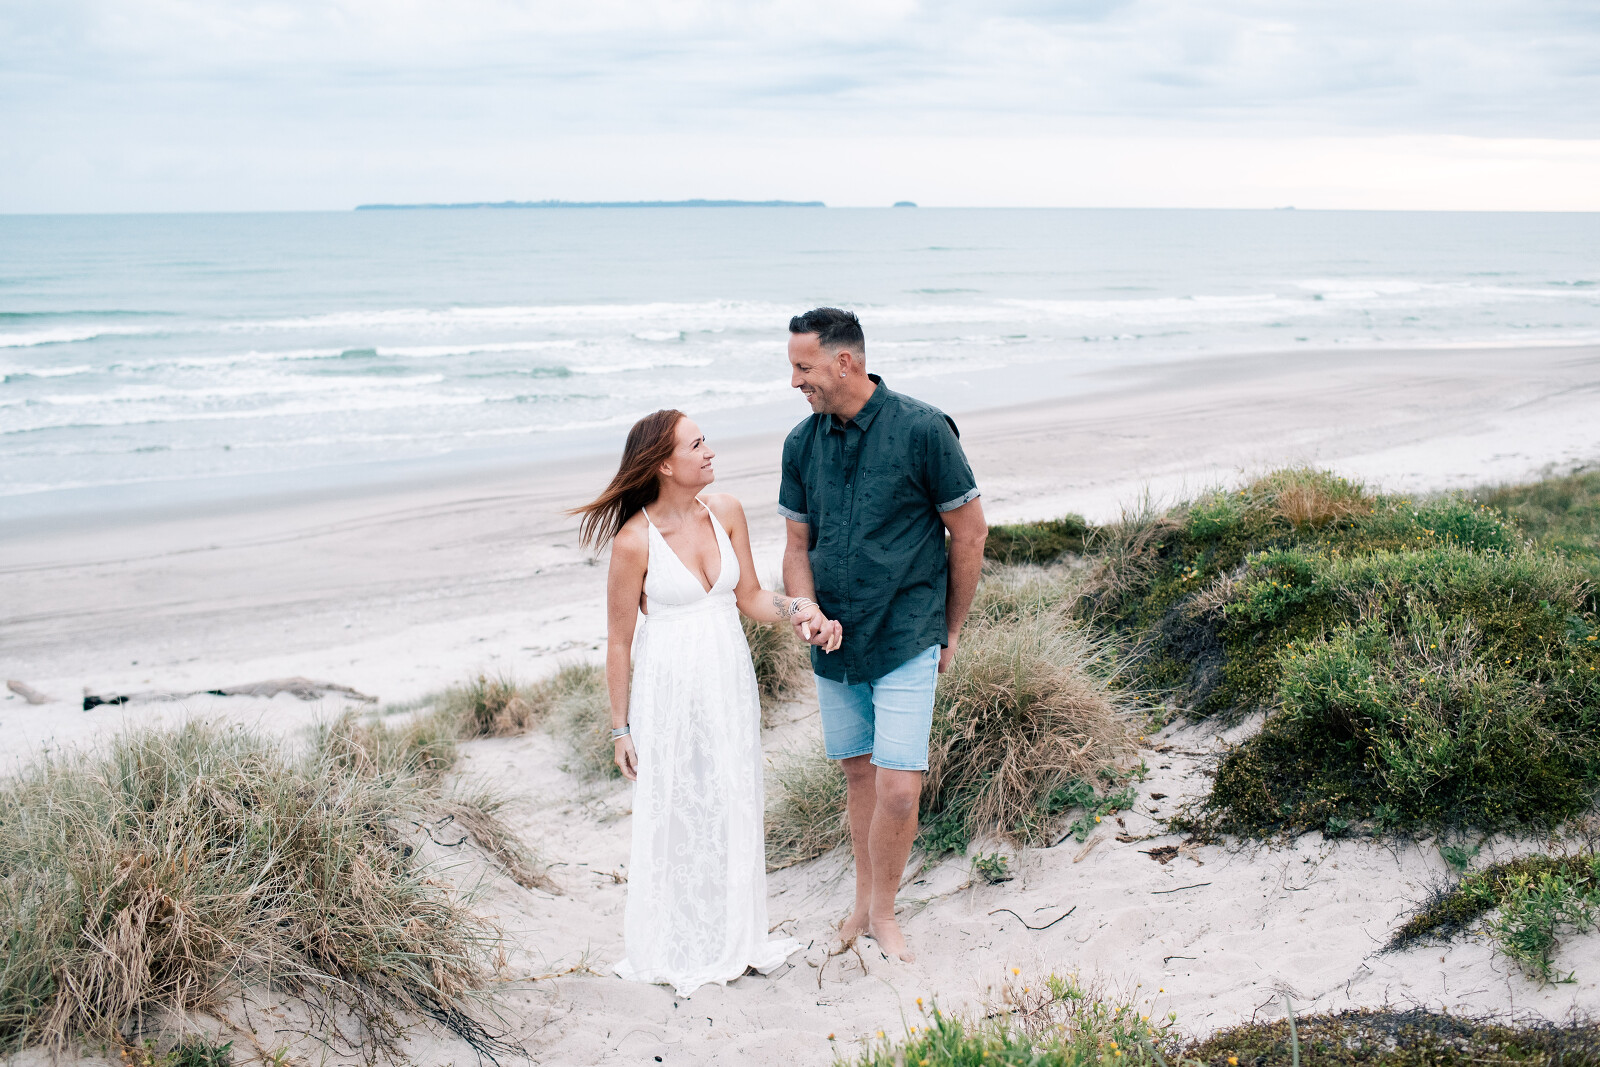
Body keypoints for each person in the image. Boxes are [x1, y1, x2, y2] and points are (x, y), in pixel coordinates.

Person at [571, 408, 839, 997]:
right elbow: (618, 641)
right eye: (696, 445)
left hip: (728, 681)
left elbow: (753, 598)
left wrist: (802, 610)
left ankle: (735, 938)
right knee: (678, 809)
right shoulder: (634, 541)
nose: (709, 451)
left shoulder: (727, 511)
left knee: (730, 800)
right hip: (668, 692)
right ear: (665, 465)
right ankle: (678, 945)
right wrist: (620, 728)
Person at [777, 307, 987, 963]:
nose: (795, 381)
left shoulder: (923, 429)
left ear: (845, 362)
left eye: (803, 367)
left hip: (906, 631)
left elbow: (970, 532)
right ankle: (863, 905)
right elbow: (796, 545)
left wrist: (950, 627)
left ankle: (887, 915)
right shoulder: (800, 443)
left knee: (898, 789)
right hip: (834, 641)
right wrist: (805, 607)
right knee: (859, 776)